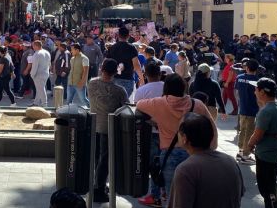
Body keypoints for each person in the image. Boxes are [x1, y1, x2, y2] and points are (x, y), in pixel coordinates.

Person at [136, 73, 217, 201]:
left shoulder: (158, 103)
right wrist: (211, 149)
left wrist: (155, 120)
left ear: (166, 88)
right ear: (184, 87)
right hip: (195, 153)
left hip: (169, 154)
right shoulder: (197, 104)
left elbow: (139, 105)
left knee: (172, 195)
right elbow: (212, 126)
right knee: (196, 194)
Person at [170, 113, 244, 208]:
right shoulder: (230, 161)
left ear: (184, 138)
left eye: (178, 132)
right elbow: (239, 195)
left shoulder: (185, 170)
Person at [89, 59, 129, 203]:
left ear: (102, 68)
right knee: (104, 160)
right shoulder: (119, 91)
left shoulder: (92, 83)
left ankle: (96, 183)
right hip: (108, 128)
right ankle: (98, 188)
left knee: (97, 158)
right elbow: (125, 108)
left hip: (94, 125)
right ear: (115, 72)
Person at [244, 78, 277, 208]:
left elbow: (258, 134)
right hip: (275, 150)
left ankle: (272, 204)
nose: (254, 92)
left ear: (262, 92)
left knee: (266, 187)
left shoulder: (266, 112)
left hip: (265, 153)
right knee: (271, 183)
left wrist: (250, 145)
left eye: (256, 89)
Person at [135, 64, 165, 207]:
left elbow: (138, 112)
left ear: (146, 74)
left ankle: (155, 195)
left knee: (154, 165)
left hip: (151, 133)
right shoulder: (169, 87)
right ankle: (164, 191)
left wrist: (152, 122)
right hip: (169, 132)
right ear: (160, 73)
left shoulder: (141, 90)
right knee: (166, 162)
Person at [105, 27, 144, 96]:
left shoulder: (112, 48)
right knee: (123, 103)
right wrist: (142, 79)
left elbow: (106, 64)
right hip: (127, 80)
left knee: (115, 103)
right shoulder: (131, 48)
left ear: (118, 36)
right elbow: (136, 65)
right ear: (128, 36)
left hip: (113, 79)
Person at [235, 59, 261, 165]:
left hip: (243, 108)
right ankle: (245, 155)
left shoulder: (239, 78)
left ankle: (241, 151)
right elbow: (259, 97)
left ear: (247, 68)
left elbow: (237, 93)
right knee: (249, 132)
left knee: (242, 130)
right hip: (252, 109)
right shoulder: (257, 81)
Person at [30, 40, 51, 107]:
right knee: (40, 89)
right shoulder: (47, 52)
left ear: (36, 46)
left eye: (33, 45)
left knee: (41, 89)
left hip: (38, 74)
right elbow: (49, 64)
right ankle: (36, 102)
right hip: (46, 73)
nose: (32, 47)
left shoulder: (37, 54)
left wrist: (32, 74)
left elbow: (34, 66)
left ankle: (45, 104)